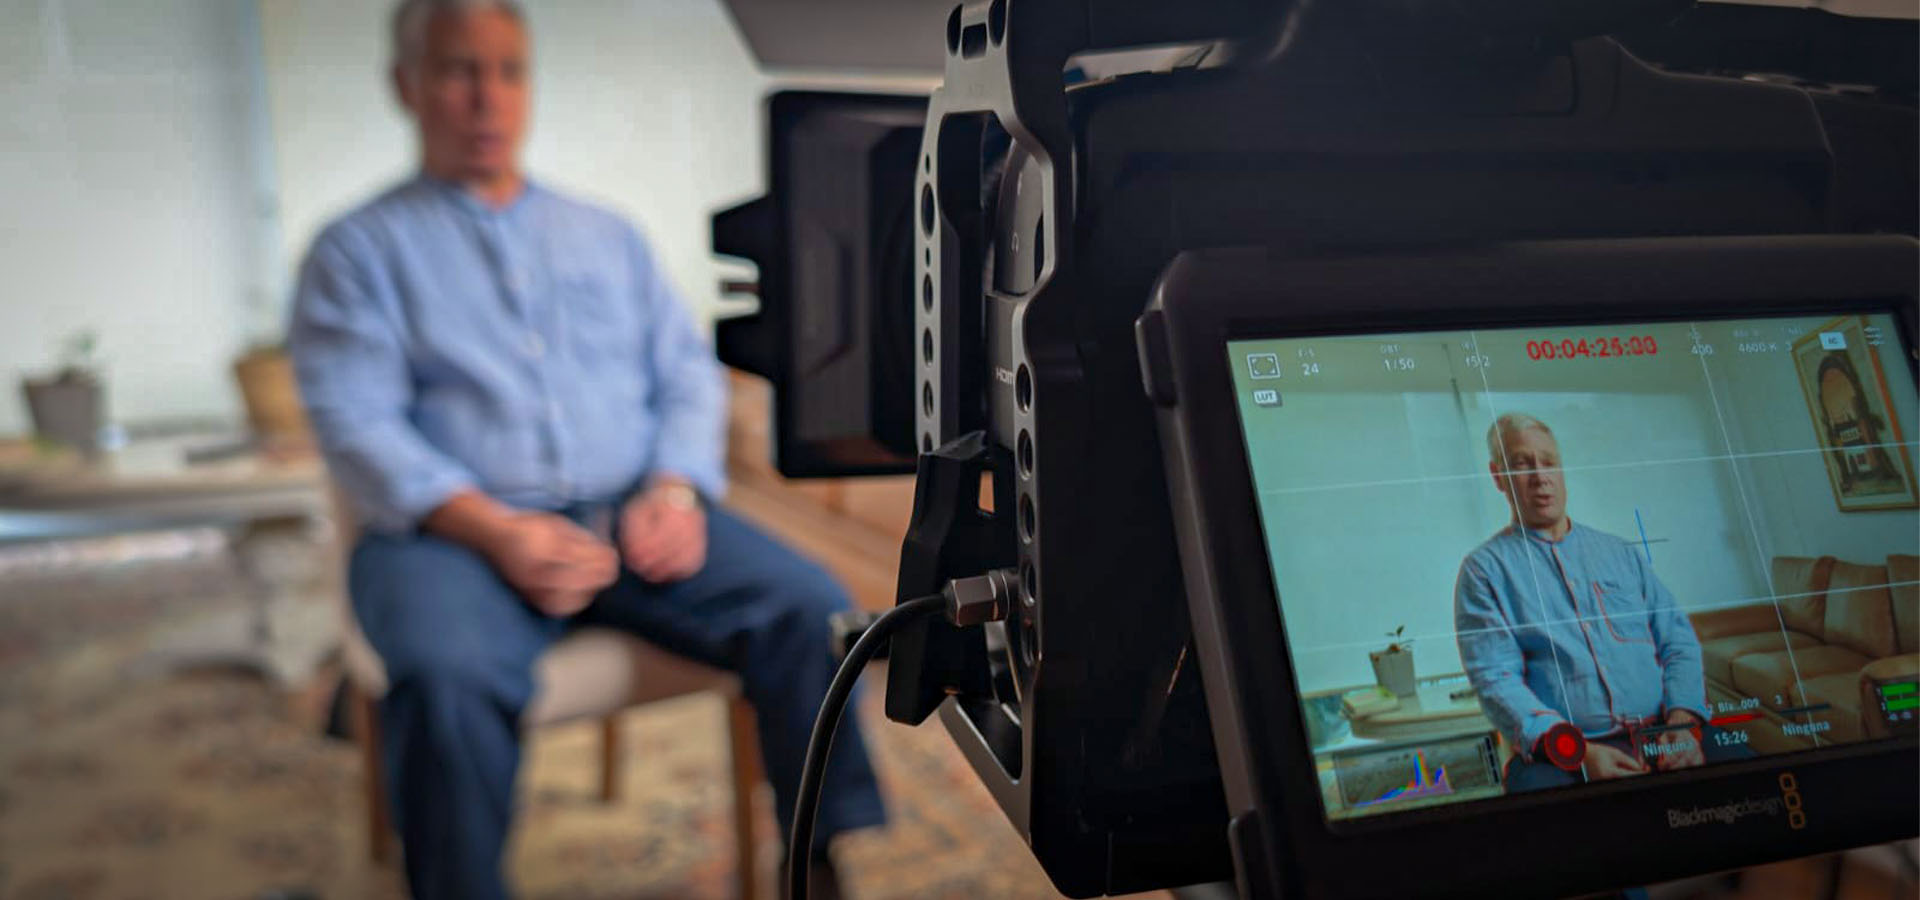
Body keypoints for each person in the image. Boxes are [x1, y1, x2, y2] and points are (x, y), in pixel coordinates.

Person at [287, 2, 883, 897]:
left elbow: (687, 377)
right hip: (450, 539)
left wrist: (675, 489)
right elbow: (356, 424)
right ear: (407, 86)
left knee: (813, 610)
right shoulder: (355, 252)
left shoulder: (609, 236)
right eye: (458, 70)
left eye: (508, 71)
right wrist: (496, 532)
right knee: (447, 677)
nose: (488, 98)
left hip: (635, 515)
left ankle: (818, 859)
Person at [1454, 413, 1750, 793]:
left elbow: (1677, 642)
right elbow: (1496, 680)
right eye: (1522, 464)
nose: (1540, 477)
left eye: (1548, 462)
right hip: (1566, 752)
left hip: (1665, 732)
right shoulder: (1484, 572)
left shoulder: (1619, 554)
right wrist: (1580, 755)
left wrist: (1682, 725)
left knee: (1757, 780)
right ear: (1498, 477)